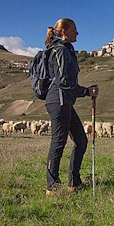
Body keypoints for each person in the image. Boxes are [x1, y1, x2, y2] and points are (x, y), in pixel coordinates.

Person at [44, 18, 98, 195]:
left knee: (81, 140)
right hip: (58, 100)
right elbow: (63, 81)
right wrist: (85, 92)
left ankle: (74, 182)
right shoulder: (60, 51)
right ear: (64, 32)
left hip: (65, 101)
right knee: (58, 142)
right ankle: (52, 186)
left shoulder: (66, 50)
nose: (78, 32)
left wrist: (83, 91)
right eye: (74, 29)